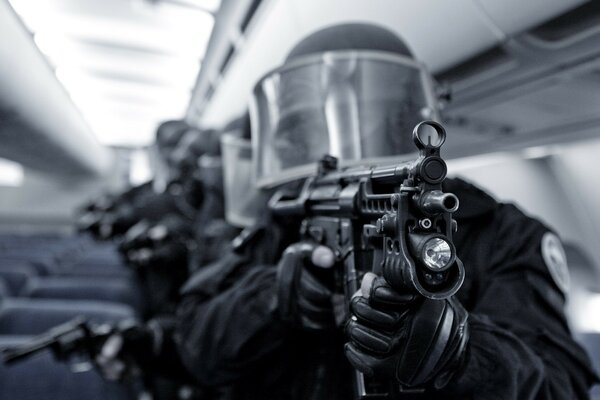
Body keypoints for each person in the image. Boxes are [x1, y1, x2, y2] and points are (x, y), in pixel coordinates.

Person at [173, 23, 599, 399]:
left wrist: (458, 354)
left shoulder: (498, 232)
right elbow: (193, 345)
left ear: (406, 118)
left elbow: (560, 384)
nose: (334, 150)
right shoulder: (287, 217)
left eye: (365, 119)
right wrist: (270, 298)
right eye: (308, 130)